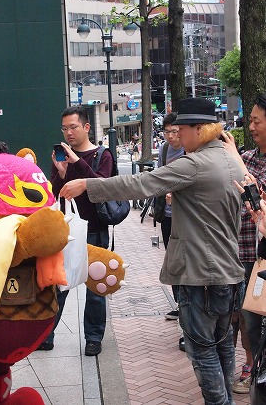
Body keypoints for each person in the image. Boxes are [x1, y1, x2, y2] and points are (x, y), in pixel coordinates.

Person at [60, 98, 245, 404]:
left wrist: (87, 185)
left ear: (199, 130)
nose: (176, 137)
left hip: (201, 276)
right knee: (223, 347)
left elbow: (141, 183)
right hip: (229, 273)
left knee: (202, 352)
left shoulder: (194, 164)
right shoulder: (230, 161)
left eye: (181, 130)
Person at [38, 106, 114, 356]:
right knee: (59, 284)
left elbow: (99, 186)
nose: (68, 132)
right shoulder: (61, 156)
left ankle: (93, 337)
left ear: (86, 127)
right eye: (64, 128)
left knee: (95, 289)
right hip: (68, 229)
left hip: (95, 229)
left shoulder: (103, 154)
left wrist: (77, 162)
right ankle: (46, 335)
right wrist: (61, 173)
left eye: (73, 127)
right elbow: (55, 192)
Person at [223, 94, 266, 395]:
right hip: (243, 250)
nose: (250, 126)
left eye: (256, 121)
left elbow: (257, 195)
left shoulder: (244, 161)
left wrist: (235, 158)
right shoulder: (248, 157)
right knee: (247, 314)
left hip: (263, 255)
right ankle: (253, 367)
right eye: (249, 120)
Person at [158, 113, 185, 350]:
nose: (172, 136)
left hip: (185, 217)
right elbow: (159, 178)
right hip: (168, 216)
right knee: (172, 259)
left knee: (184, 261)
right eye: (168, 132)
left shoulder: (191, 150)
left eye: (176, 131)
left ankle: (185, 307)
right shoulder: (165, 150)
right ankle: (179, 304)